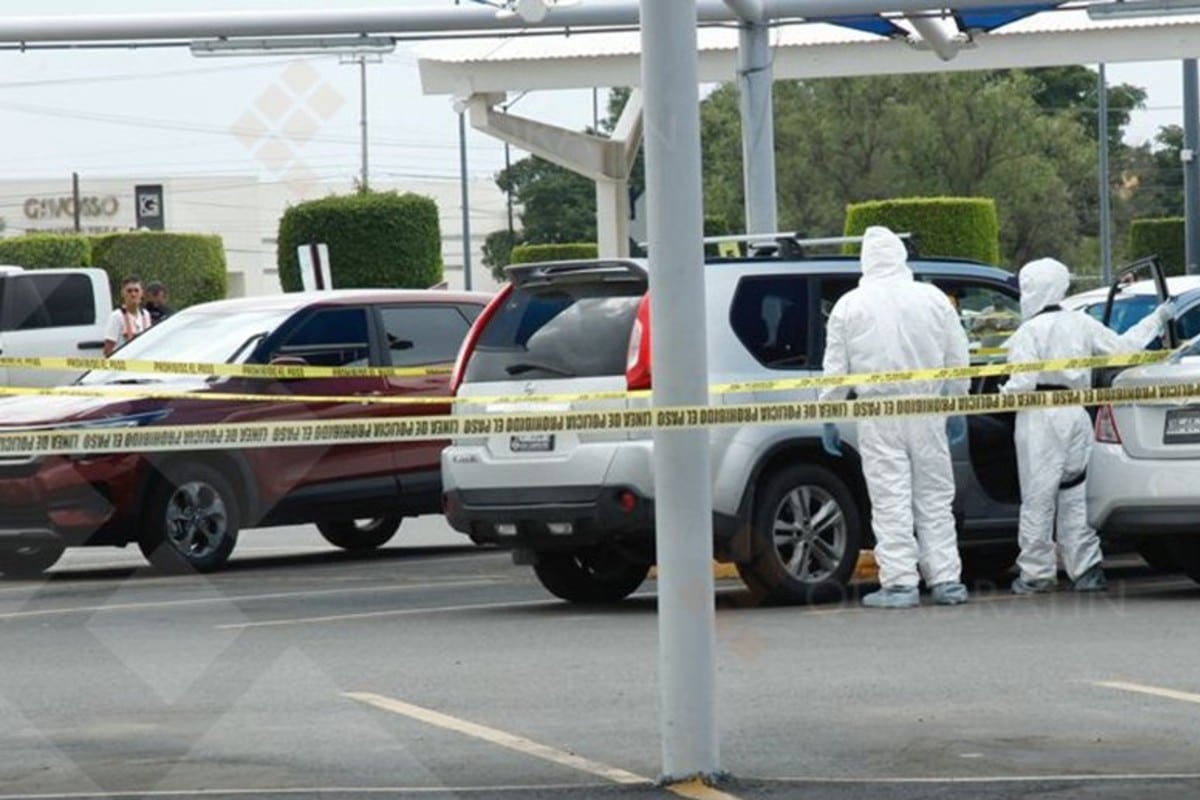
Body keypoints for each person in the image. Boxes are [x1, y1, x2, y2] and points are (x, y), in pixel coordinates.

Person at [1000, 257, 1173, 594]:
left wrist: (1000, 394)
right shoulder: (1081, 323)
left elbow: (1021, 384)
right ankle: (1087, 569)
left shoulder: (1028, 331)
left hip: (1039, 418)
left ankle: (1036, 573)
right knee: (1075, 494)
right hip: (1077, 415)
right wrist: (1157, 318)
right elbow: (1123, 349)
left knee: (1038, 498)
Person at [820, 226, 972, 609]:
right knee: (935, 496)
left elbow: (836, 369)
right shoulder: (934, 299)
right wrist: (957, 404)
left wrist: (830, 413)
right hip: (927, 408)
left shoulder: (849, 305)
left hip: (879, 411)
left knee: (891, 497)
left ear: (866, 260)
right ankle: (946, 579)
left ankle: (901, 582)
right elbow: (958, 358)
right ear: (901, 256)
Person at [103, 276, 152, 357]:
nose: (133, 294)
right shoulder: (116, 316)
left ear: (142, 293)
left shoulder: (146, 315)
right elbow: (108, 349)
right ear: (123, 293)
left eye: (136, 291)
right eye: (129, 291)